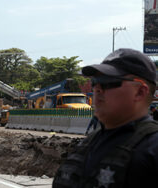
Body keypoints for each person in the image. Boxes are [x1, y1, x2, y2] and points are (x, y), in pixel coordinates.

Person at [53, 48, 158, 188]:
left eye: (108, 82)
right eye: (95, 82)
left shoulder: (152, 149)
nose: (97, 89)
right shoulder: (88, 144)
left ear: (140, 92)